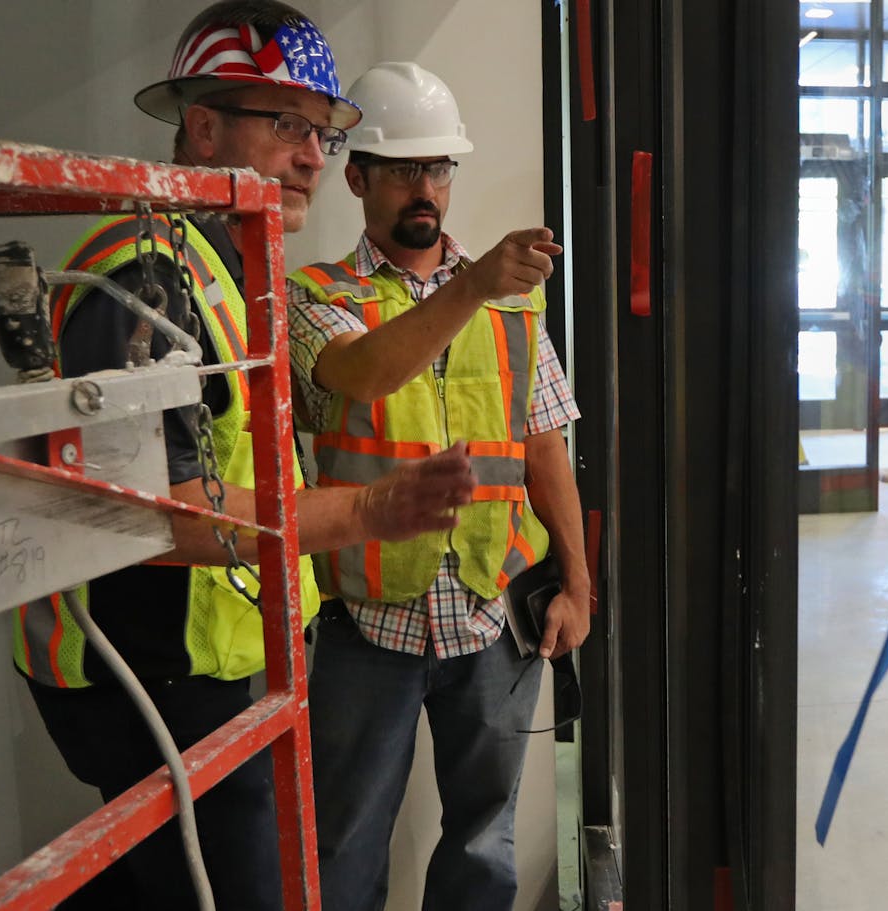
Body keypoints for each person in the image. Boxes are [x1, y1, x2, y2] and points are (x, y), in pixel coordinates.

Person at [14, 7, 476, 910]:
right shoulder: (145, 277)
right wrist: (368, 513)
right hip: (148, 675)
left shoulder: (221, 265)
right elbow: (158, 515)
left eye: (320, 131)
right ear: (203, 126)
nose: (313, 156)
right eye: (286, 125)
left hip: (215, 661)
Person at [287, 61, 590, 911]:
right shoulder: (317, 296)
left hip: (492, 621)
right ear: (358, 178)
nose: (424, 188)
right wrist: (473, 285)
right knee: (344, 844)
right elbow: (364, 373)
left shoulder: (512, 304)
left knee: (483, 844)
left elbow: (544, 447)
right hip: (366, 627)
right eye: (402, 169)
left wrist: (578, 582)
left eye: (437, 168)